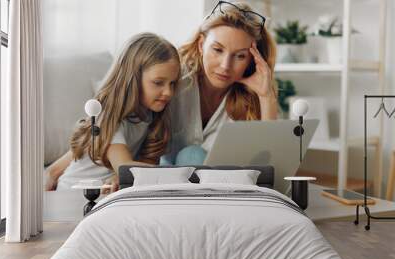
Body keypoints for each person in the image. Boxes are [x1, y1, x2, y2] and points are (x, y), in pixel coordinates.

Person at [44, 33, 180, 192]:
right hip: (74, 194)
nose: (168, 92)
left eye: (172, 83)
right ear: (132, 79)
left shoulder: (149, 116)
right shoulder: (108, 118)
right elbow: (124, 166)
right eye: (158, 83)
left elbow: (136, 167)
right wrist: (179, 173)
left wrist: (118, 176)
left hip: (105, 194)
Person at [163, 1, 278, 165]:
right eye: (217, 50)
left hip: (216, 186)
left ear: (251, 61)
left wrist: (267, 97)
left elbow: (267, 163)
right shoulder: (173, 80)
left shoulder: (250, 98)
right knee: (191, 155)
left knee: (192, 156)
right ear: (202, 45)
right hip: (163, 178)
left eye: (240, 56)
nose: (225, 66)